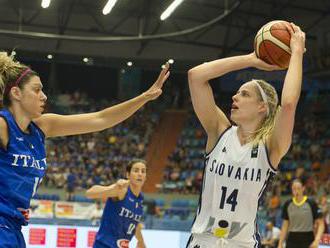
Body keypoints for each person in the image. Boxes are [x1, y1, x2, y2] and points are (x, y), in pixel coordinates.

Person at [0, 51, 169, 247]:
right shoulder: (3, 126)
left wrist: (145, 97)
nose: (44, 96)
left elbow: (101, 119)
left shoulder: (43, 126)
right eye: (37, 90)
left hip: (13, 230)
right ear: (16, 93)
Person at [186, 23, 305, 248]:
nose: (234, 97)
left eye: (244, 94)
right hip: (202, 242)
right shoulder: (219, 131)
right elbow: (196, 76)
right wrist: (251, 59)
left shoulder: (271, 146)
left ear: (262, 107)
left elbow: (288, 104)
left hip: (242, 244)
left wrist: (296, 52)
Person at [86, 159, 147, 248]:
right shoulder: (121, 191)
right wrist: (113, 188)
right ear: (128, 175)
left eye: (143, 171)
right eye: (136, 170)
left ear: (145, 177)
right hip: (104, 245)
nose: (140, 174)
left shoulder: (140, 200)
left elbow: (134, 222)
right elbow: (89, 193)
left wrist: (141, 241)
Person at [277, 179, 324, 248]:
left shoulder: (311, 203)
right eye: (294, 189)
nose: (296, 191)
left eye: (298, 188)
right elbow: (285, 226)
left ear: (303, 188)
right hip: (292, 239)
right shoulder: (287, 204)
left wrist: (317, 240)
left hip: (308, 239)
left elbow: (321, 224)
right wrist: (280, 243)